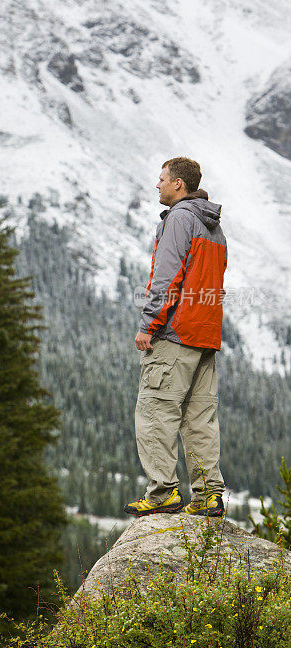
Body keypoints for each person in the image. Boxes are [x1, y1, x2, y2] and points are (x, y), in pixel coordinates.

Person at [124, 157, 227, 518]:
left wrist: (148, 324)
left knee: (155, 409)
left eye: (162, 179)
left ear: (178, 185)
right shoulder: (213, 226)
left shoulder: (179, 219)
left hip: (176, 333)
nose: (157, 184)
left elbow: (167, 278)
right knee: (199, 418)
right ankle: (208, 495)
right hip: (206, 335)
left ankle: (162, 494)